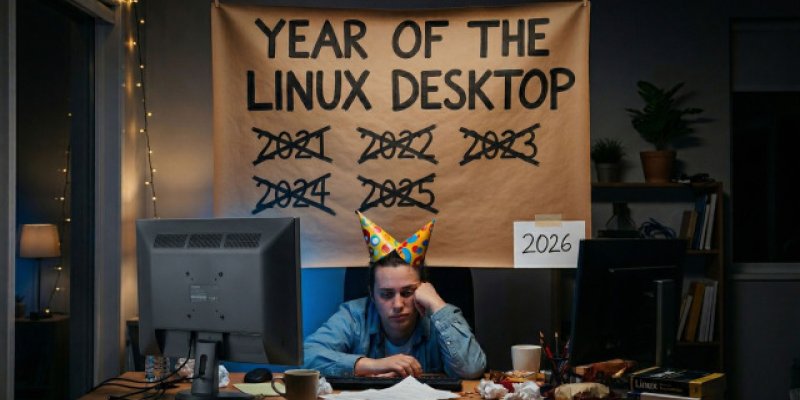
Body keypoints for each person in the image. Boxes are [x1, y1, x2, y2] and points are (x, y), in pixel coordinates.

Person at [303, 211, 486, 379]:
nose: (398, 304)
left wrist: (436, 303)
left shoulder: (441, 314)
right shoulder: (354, 315)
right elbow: (306, 357)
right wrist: (373, 365)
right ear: (372, 295)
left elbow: (472, 369)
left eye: (407, 292)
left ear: (424, 289)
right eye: (386, 294)